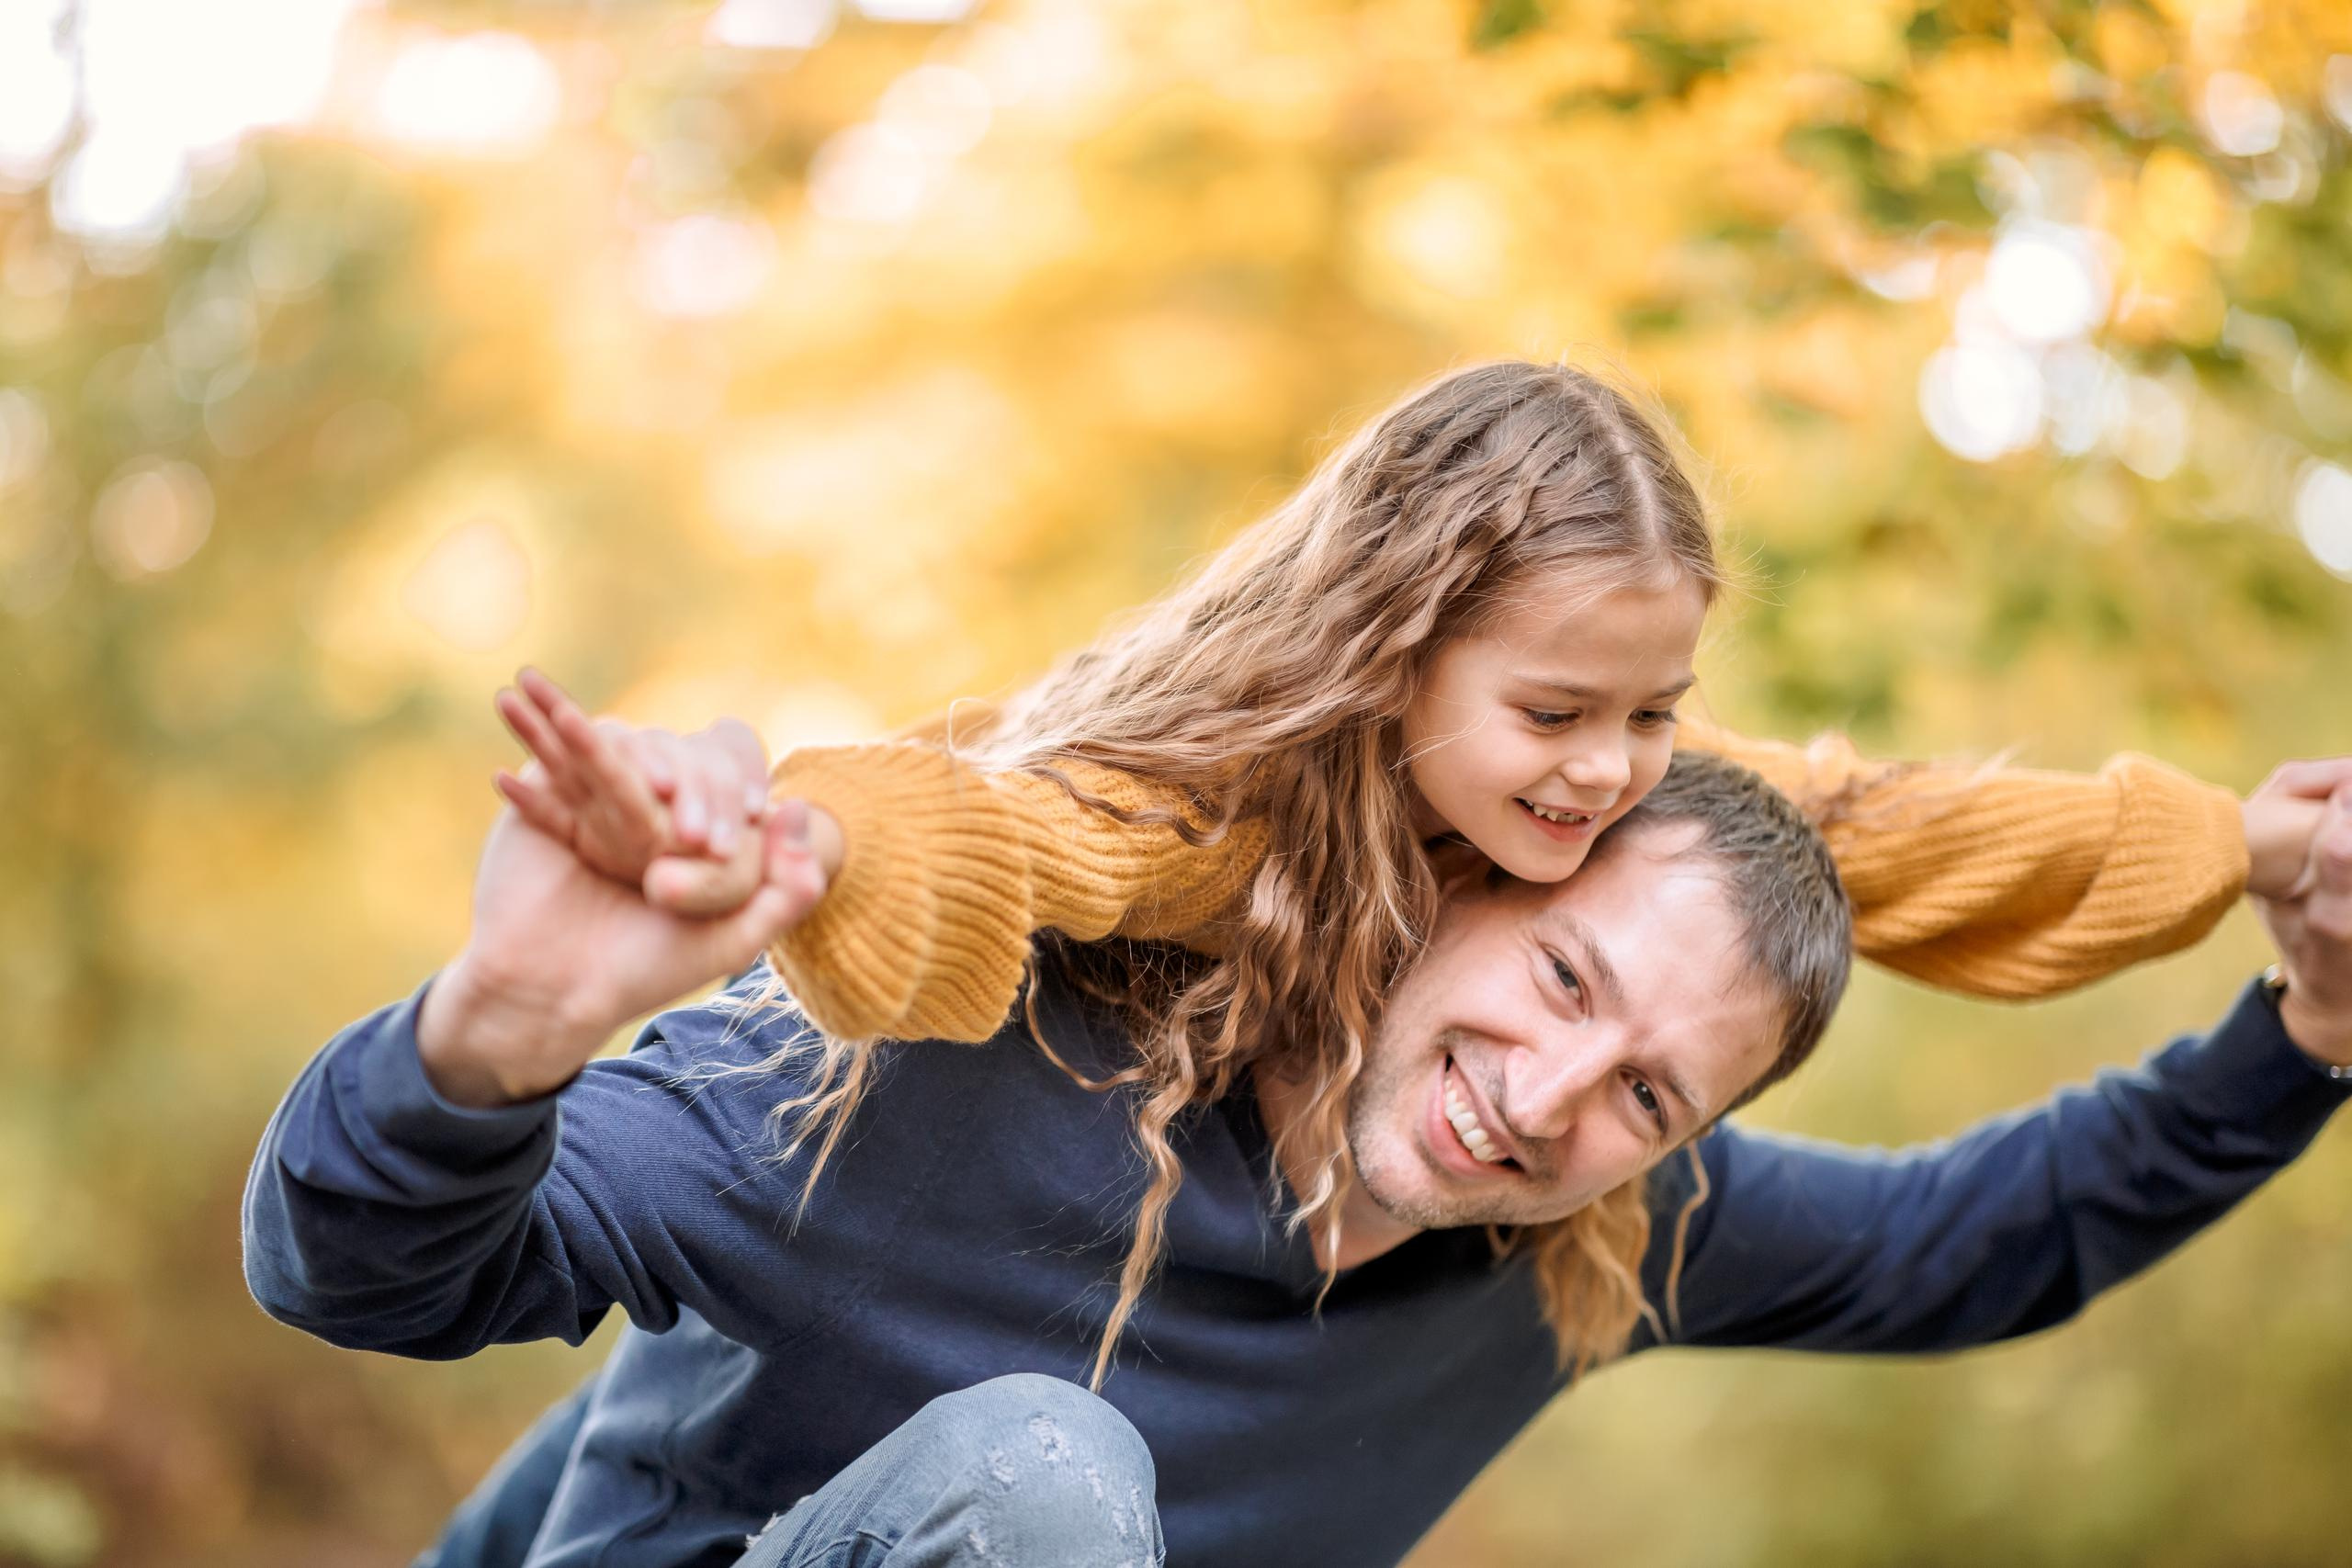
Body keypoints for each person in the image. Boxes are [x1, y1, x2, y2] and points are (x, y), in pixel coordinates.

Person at [486, 359, 2324, 1385]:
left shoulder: (1585, 816)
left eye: (1656, 708)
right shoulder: (1210, 797)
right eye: (1557, 707)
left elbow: (1873, 827)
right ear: (1392, 648)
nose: (1608, 764)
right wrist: (790, 850)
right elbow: (1001, 819)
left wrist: (2257, 850)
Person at [242, 750, 2352, 1568]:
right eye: (1560, 979)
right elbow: (360, 1277)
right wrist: (496, 1031)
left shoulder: (1592, 1235)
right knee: (1048, 1489)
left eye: (1644, 1090)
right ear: (1450, 884)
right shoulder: (967, 1060)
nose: (1548, 1093)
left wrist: (2308, 1031)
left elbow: (1988, 1235)